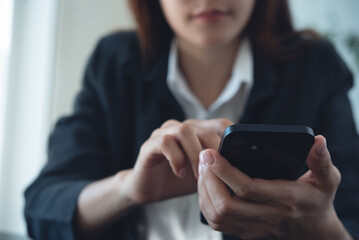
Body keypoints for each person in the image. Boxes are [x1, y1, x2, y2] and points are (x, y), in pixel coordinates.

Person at [24, 0, 359, 239]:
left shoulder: (315, 67)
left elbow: (352, 216)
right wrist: (127, 189)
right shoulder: (114, 62)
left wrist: (320, 226)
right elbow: (44, 207)